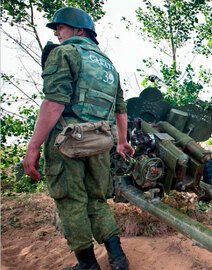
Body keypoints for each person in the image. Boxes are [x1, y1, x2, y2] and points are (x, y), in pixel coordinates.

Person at [23, 7, 134, 270]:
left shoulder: (65, 53)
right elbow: (120, 108)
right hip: (100, 141)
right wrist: (121, 141)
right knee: (97, 199)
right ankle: (118, 259)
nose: (57, 33)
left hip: (67, 142)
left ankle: (87, 265)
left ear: (79, 30)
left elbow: (53, 103)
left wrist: (33, 147)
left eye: (60, 27)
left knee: (71, 201)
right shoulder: (108, 64)